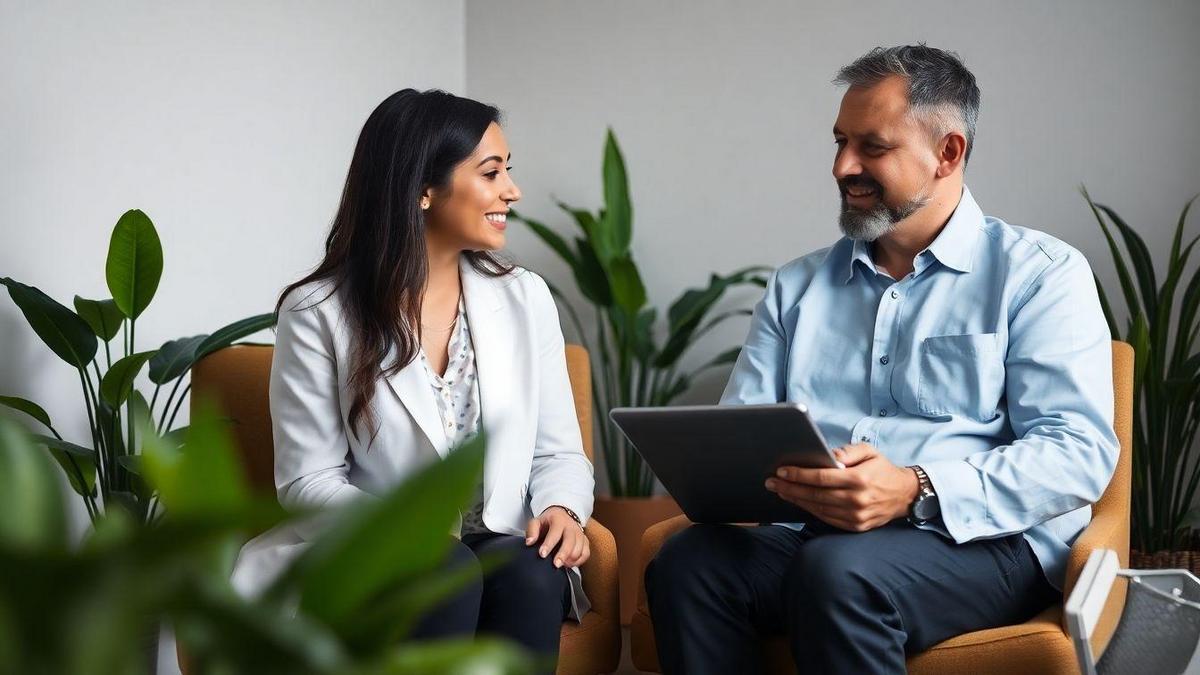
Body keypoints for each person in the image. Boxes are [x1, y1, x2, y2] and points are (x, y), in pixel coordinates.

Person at [645, 45, 1119, 674]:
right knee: (689, 565)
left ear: (948, 152)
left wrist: (913, 488)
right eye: (840, 142)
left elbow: (1077, 452)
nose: (844, 166)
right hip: (811, 536)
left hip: (981, 542)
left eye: (873, 147)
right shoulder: (797, 286)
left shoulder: (1041, 274)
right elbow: (742, 430)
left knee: (839, 572)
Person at [230, 89, 595, 665]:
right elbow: (307, 482)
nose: (512, 191)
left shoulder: (525, 297)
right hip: (372, 545)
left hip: (496, 536)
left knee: (530, 570)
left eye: (508, 172)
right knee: (442, 565)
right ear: (422, 189)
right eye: (491, 172)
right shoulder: (317, 310)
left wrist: (563, 510)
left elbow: (558, 453)